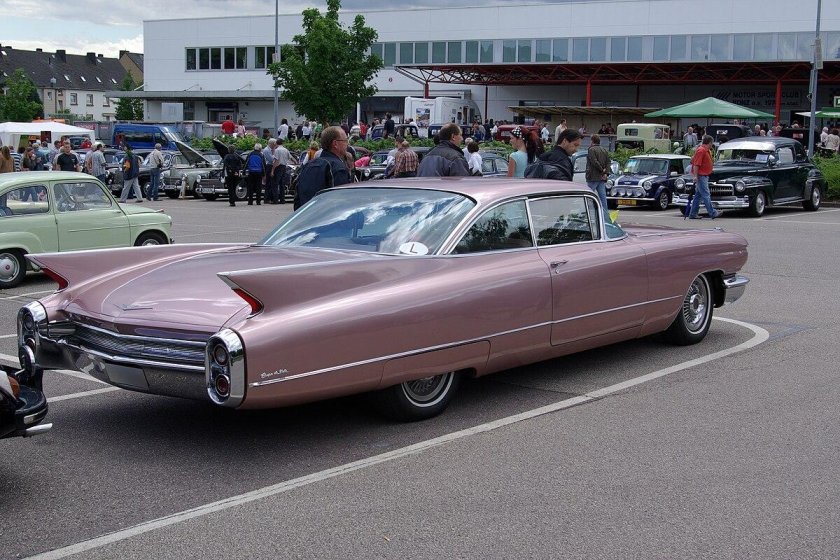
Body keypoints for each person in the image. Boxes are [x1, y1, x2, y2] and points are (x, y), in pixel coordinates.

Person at [293, 126, 353, 209]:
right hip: (329, 215)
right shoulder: (337, 167)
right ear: (335, 144)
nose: (347, 144)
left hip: (307, 215)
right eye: (345, 140)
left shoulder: (308, 165)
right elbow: (341, 201)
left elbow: (297, 198)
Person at [688, 135, 720, 220]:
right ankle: (712, 213)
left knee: (698, 195)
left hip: (703, 175)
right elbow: (696, 164)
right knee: (706, 194)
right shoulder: (701, 150)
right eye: (711, 143)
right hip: (701, 176)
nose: (712, 144)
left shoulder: (705, 150)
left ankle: (693, 213)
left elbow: (694, 161)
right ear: (709, 142)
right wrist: (695, 176)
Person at [585, 134, 611, 215]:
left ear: (592, 141)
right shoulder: (604, 150)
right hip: (602, 177)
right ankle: (605, 215)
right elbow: (608, 162)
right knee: (603, 198)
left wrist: (602, 170)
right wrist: (606, 172)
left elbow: (594, 161)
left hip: (593, 176)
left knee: (588, 195)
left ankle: (587, 213)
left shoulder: (591, 150)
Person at [272, 138, 292, 204]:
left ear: (276, 143)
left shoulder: (277, 150)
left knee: (276, 183)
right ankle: (282, 199)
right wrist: (295, 162)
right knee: (282, 184)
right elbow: (290, 157)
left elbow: (276, 161)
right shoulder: (286, 150)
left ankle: (275, 200)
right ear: (282, 143)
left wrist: (272, 170)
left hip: (278, 167)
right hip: (284, 167)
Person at [262, 139, 277, 203]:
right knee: (269, 183)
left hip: (270, 166)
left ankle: (269, 198)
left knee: (271, 183)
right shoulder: (266, 150)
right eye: (275, 144)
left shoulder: (270, 150)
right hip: (269, 166)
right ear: (272, 144)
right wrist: (275, 155)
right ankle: (267, 198)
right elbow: (271, 159)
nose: (275, 145)